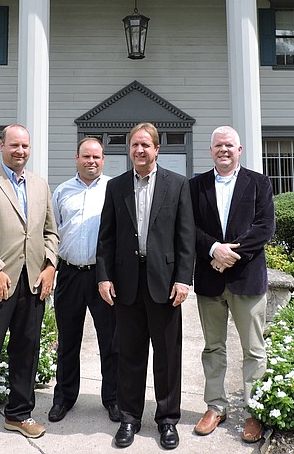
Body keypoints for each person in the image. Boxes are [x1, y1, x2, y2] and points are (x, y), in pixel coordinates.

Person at [96, 122, 195, 450]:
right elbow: (106, 237)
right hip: (126, 284)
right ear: (130, 150)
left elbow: (185, 238)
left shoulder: (177, 185)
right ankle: (129, 418)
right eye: (134, 145)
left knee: (167, 355)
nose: (140, 150)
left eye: (145, 145)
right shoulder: (116, 187)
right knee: (129, 354)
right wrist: (103, 276)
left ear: (157, 149)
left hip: (164, 285)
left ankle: (167, 420)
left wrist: (183, 278)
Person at [0, 124, 59, 454]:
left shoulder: (40, 185)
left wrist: (50, 266)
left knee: (27, 352)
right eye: (14, 145)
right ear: (1, 146)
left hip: (33, 284)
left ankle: (19, 414)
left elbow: (51, 234)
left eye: (25, 146)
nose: (20, 151)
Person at [188, 126, 275, 444]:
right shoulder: (196, 186)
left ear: (240, 150)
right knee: (213, 348)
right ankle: (215, 407)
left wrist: (229, 254)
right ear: (211, 150)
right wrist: (214, 249)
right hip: (210, 280)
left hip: (247, 279)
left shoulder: (259, 182)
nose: (223, 150)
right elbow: (190, 227)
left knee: (253, 350)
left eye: (229, 145)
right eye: (218, 145)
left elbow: (265, 226)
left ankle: (255, 413)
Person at [48, 137, 120, 424]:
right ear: (76, 158)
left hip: (103, 278)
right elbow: (52, 232)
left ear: (103, 160)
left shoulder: (113, 189)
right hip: (68, 275)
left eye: (97, 157)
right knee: (67, 340)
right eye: (86, 156)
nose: (91, 161)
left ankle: (112, 398)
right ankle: (64, 397)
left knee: (111, 341)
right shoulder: (62, 191)